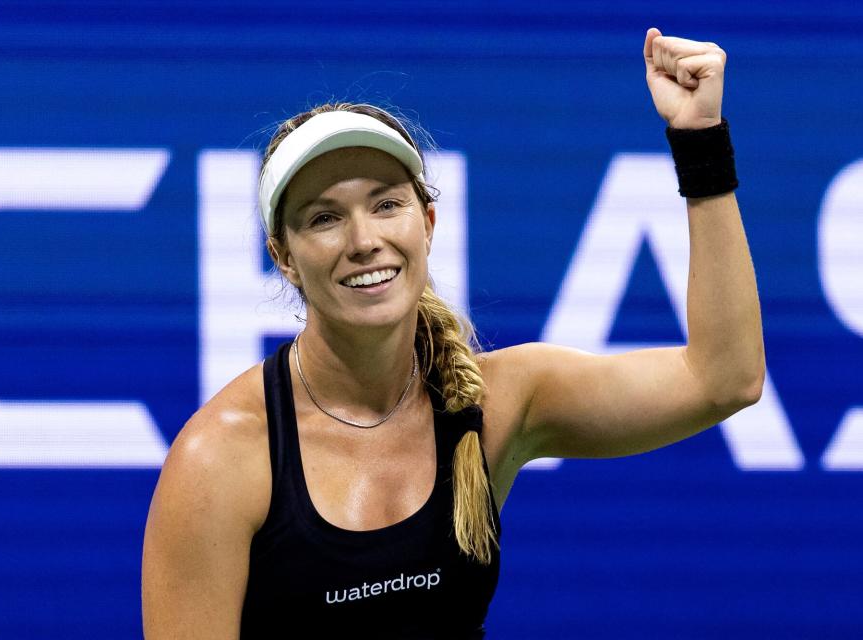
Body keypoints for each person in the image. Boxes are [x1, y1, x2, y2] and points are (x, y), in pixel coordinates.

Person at [142, 27, 764, 639]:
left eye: (387, 204)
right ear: (284, 256)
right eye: (325, 217)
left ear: (428, 222)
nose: (364, 242)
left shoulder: (501, 404)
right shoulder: (223, 458)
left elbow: (723, 379)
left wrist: (700, 141)